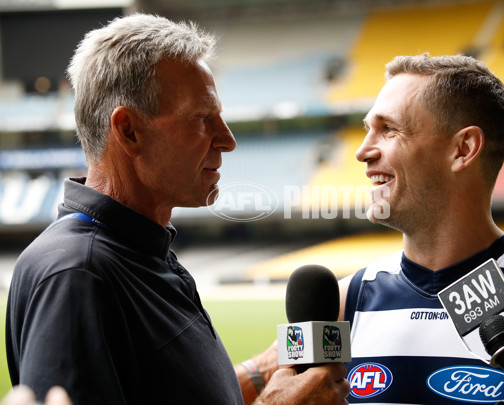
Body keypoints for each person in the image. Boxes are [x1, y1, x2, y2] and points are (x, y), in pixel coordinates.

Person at [6, 13, 350, 405]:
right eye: (203, 119)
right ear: (129, 131)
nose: (228, 140)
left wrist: (258, 373)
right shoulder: (76, 275)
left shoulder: (133, 248)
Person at [337, 54, 504, 403]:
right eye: (367, 129)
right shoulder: (343, 303)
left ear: (463, 149)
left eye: (388, 129)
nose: (362, 151)